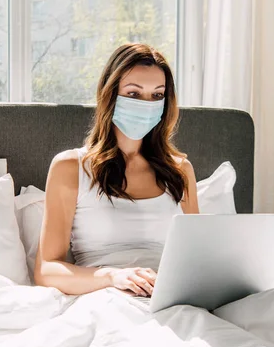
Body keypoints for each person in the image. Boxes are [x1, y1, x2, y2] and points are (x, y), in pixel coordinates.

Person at [34, 43, 199, 297]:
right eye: (134, 94)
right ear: (110, 95)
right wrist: (112, 276)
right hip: (106, 299)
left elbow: (197, 260)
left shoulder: (180, 171)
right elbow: (46, 271)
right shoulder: (70, 167)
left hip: (171, 302)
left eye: (157, 95)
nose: (147, 103)